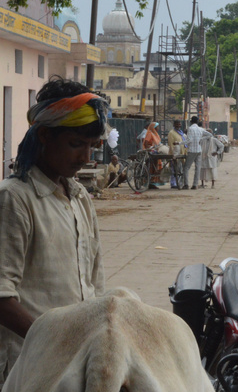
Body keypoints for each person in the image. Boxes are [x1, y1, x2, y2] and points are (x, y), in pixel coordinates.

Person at [0, 76, 107, 385]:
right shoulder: (14, 198)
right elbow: (3, 298)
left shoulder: (80, 198)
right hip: (28, 364)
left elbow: (95, 283)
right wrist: (57, 341)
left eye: (91, 146)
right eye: (76, 144)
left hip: (77, 364)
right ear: (45, 135)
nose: (85, 158)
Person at [182, 116, 212, 190]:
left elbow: (189, 140)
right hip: (199, 150)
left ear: (191, 122)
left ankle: (186, 184)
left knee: (186, 167)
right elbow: (210, 135)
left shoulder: (190, 129)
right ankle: (195, 185)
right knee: (197, 168)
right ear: (198, 122)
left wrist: (179, 143)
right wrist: (201, 139)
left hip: (192, 150)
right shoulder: (200, 129)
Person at [168, 120, 187, 190]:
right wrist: (173, 154)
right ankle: (173, 183)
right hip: (175, 153)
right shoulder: (171, 133)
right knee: (174, 169)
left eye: (179, 124)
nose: (178, 125)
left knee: (180, 169)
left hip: (181, 153)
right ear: (174, 124)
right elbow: (170, 144)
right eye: (177, 124)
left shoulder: (181, 133)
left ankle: (179, 182)